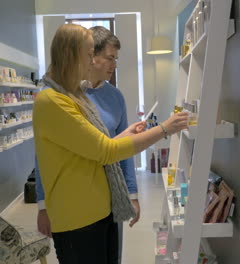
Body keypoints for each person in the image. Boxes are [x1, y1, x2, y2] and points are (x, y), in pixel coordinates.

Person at [33, 24, 188, 264]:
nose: (90, 62)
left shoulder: (79, 97)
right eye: (87, 54)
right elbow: (105, 151)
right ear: (73, 55)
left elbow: (96, 148)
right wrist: (164, 128)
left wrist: (126, 134)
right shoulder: (53, 101)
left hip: (101, 210)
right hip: (77, 216)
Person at [35, 26, 141, 263]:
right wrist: (43, 205)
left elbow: (123, 151)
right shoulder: (67, 97)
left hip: (110, 200)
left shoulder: (116, 97)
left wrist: (131, 194)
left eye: (116, 59)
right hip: (76, 205)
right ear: (91, 57)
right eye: (109, 58)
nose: (114, 64)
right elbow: (43, 157)